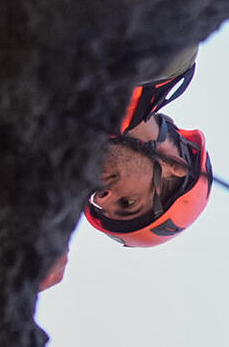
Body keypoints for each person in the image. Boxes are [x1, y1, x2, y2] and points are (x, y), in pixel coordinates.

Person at [39, 48, 213, 289]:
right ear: (174, 166)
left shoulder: (50, 143)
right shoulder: (169, 60)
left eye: (97, 202)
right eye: (128, 203)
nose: (103, 197)